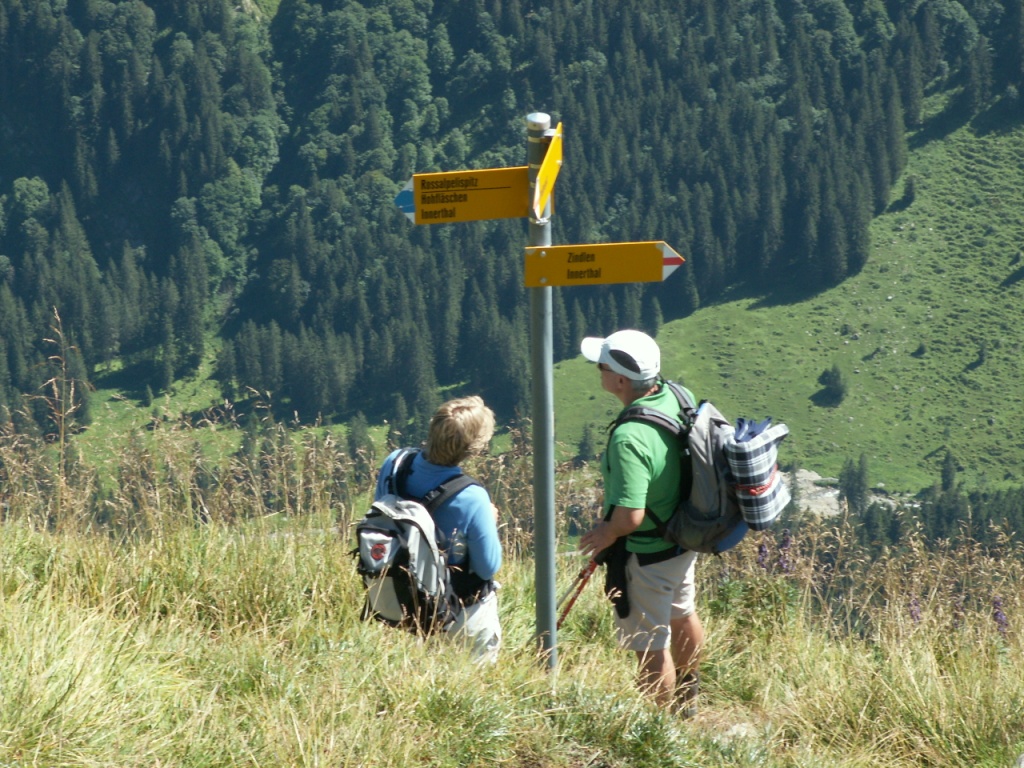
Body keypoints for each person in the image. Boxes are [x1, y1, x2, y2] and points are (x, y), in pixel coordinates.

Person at [578, 329, 704, 715]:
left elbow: (630, 516)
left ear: (620, 380)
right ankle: (688, 699)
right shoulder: (676, 396)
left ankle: (656, 730)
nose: (596, 369)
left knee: (649, 644)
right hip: (683, 535)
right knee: (682, 613)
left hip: (648, 551)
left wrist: (605, 533)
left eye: (601, 365)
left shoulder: (629, 437)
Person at [374, 395, 502, 662]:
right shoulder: (471, 496)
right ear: (474, 448)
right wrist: (490, 519)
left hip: (400, 603)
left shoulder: (395, 463)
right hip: (457, 612)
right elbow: (487, 566)